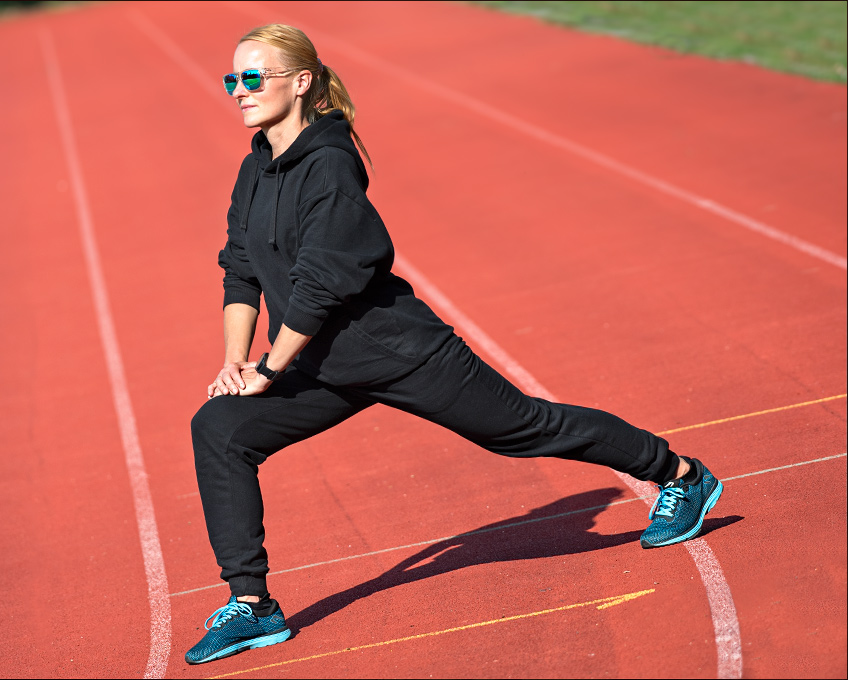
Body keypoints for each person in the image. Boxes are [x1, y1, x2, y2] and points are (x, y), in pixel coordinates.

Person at [184, 24, 724, 665]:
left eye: (253, 78)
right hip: (319, 363)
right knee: (220, 427)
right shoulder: (255, 167)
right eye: (232, 80)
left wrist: (269, 368)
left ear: (301, 83)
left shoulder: (329, 166)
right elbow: (241, 267)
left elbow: (322, 284)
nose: (239, 91)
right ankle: (252, 606)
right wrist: (234, 364)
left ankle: (678, 474)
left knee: (523, 428)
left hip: (394, 349)